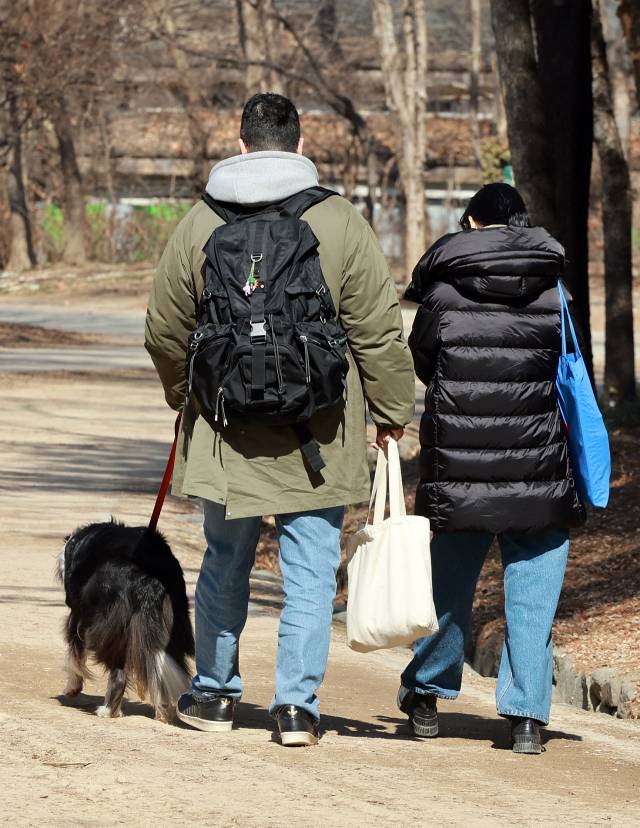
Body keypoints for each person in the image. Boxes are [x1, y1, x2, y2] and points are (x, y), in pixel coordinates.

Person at [145, 93, 415, 746]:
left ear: (240, 145)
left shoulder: (199, 221)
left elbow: (163, 327)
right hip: (318, 432)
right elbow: (377, 331)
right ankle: (295, 709)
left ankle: (213, 694)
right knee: (311, 570)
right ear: (301, 146)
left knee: (224, 562)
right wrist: (392, 413)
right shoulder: (340, 221)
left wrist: (186, 396)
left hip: (223, 428)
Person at [401, 183, 585, 754]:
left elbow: (424, 362)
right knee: (531, 594)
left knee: (448, 587)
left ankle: (427, 698)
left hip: (459, 463)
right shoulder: (554, 291)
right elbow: (567, 369)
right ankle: (527, 717)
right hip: (539, 465)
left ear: (472, 223)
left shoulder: (443, 291)